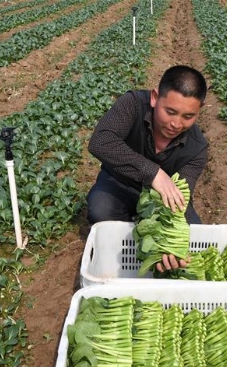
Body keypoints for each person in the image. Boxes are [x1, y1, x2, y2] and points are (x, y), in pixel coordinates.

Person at [86, 65, 209, 272]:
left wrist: (170, 243)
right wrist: (153, 172)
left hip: (163, 200)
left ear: (199, 110)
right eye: (170, 112)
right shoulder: (133, 105)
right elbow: (100, 141)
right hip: (119, 182)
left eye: (188, 116)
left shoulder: (197, 148)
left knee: (192, 236)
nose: (176, 124)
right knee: (100, 210)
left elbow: (179, 198)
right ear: (154, 98)